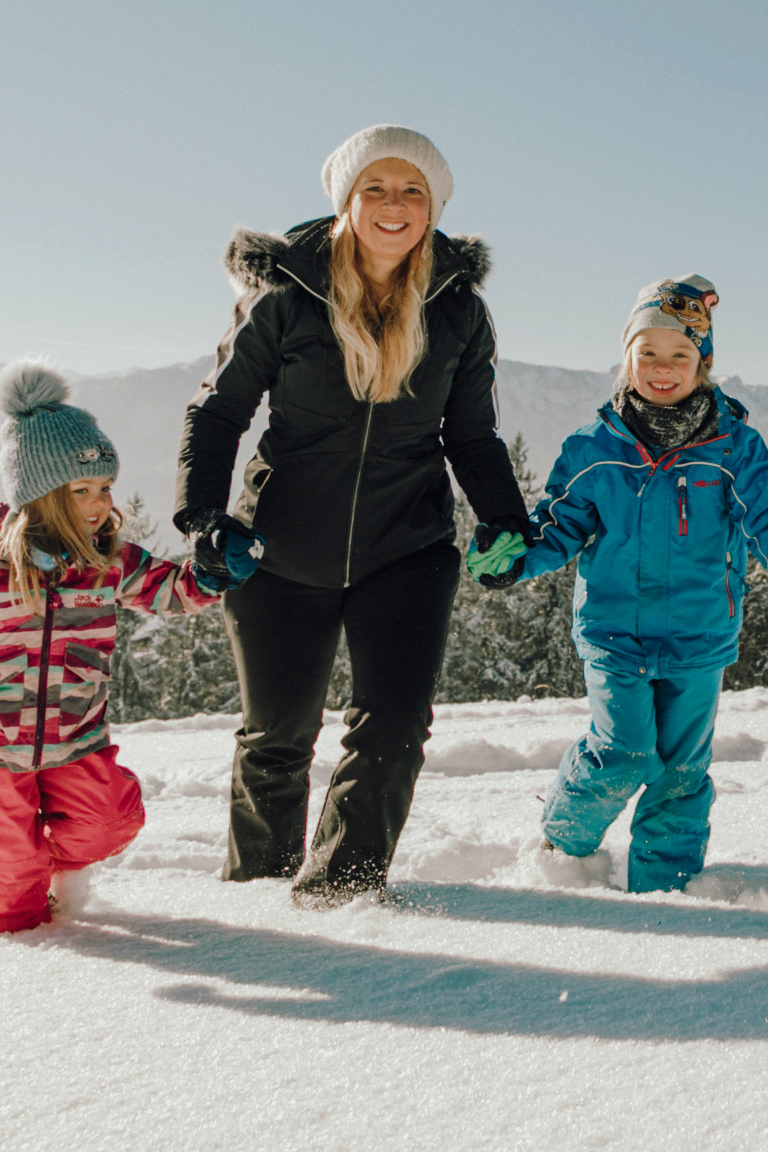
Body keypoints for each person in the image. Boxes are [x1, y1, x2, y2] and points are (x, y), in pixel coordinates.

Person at [177, 124, 533, 907]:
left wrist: (507, 522)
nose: (394, 205)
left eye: (413, 191)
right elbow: (220, 411)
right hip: (277, 545)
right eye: (376, 187)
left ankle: (339, 896)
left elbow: (471, 436)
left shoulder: (458, 310)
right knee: (276, 738)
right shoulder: (283, 295)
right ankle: (257, 901)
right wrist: (204, 516)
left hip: (406, 546)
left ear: (434, 207)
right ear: (346, 199)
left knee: (395, 726)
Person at [0, 361, 258, 933]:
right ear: (39, 494)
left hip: (77, 738)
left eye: (104, 488)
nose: (99, 503)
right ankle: (16, 950)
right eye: (82, 490)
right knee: (7, 871)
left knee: (109, 823)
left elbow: (170, 591)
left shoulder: (107, 560)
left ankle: (43, 872)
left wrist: (215, 570)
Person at [487, 275, 768, 893]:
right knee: (622, 750)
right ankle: (561, 847)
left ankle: (664, 890)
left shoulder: (733, 448)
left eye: (680, 354)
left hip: (699, 634)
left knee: (682, 769)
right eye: (647, 351)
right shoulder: (594, 448)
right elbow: (559, 526)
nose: (662, 367)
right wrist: (516, 558)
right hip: (613, 631)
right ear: (625, 358)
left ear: (702, 364)